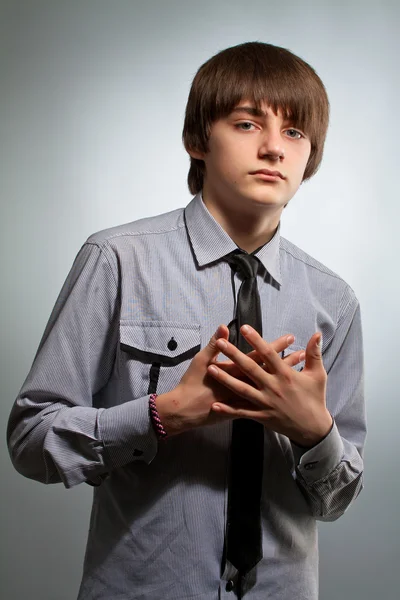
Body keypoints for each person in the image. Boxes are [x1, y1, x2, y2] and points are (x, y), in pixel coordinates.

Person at [7, 42, 366, 600]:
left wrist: (314, 431)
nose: (274, 148)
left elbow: (337, 499)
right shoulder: (116, 260)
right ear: (197, 139)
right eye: (247, 123)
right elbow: (31, 440)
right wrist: (160, 415)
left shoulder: (334, 300)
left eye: (295, 133)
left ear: (311, 154)